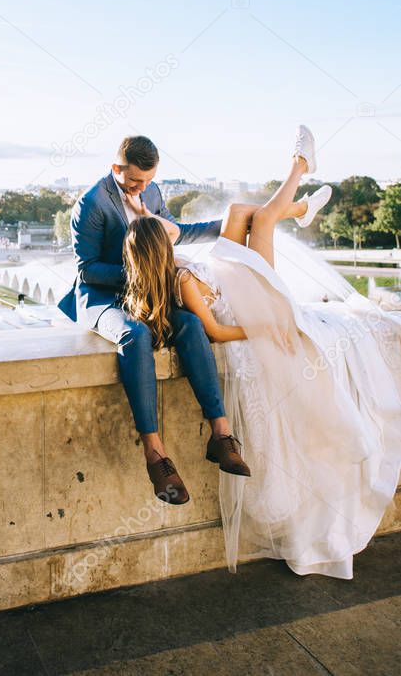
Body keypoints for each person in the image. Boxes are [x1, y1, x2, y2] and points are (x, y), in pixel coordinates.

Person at [123, 125, 401, 578]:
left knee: (237, 209)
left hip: (230, 280)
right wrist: (260, 329)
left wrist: (139, 208)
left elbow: (145, 235)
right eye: (161, 229)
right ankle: (300, 167)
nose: (167, 227)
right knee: (263, 220)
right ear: (161, 247)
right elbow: (213, 331)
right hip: (251, 301)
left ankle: (302, 205)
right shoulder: (183, 281)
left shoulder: (161, 265)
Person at [58, 135, 251, 506]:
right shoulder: (91, 204)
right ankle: (156, 454)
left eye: (148, 182)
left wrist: (228, 225)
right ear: (117, 169)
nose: (142, 190)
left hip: (147, 292)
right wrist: (141, 274)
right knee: (134, 335)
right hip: (103, 295)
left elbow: (173, 235)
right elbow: (87, 271)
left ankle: (221, 433)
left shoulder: (152, 191)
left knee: (192, 325)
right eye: (134, 183)